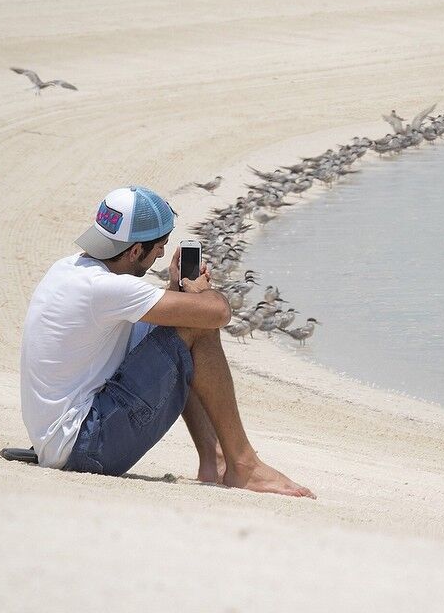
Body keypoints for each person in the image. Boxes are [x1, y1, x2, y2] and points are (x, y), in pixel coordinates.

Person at [20, 185, 315, 498]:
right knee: (196, 326)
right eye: (158, 246)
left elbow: (146, 338)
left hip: (59, 440)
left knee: (179, 325)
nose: (161, 253)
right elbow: (218, 313)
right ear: (134, 251)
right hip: (88, 447)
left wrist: (175, 288)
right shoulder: (106, 289)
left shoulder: (67, 269)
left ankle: (213, 461)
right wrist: (200, 291)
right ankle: (244, 465)